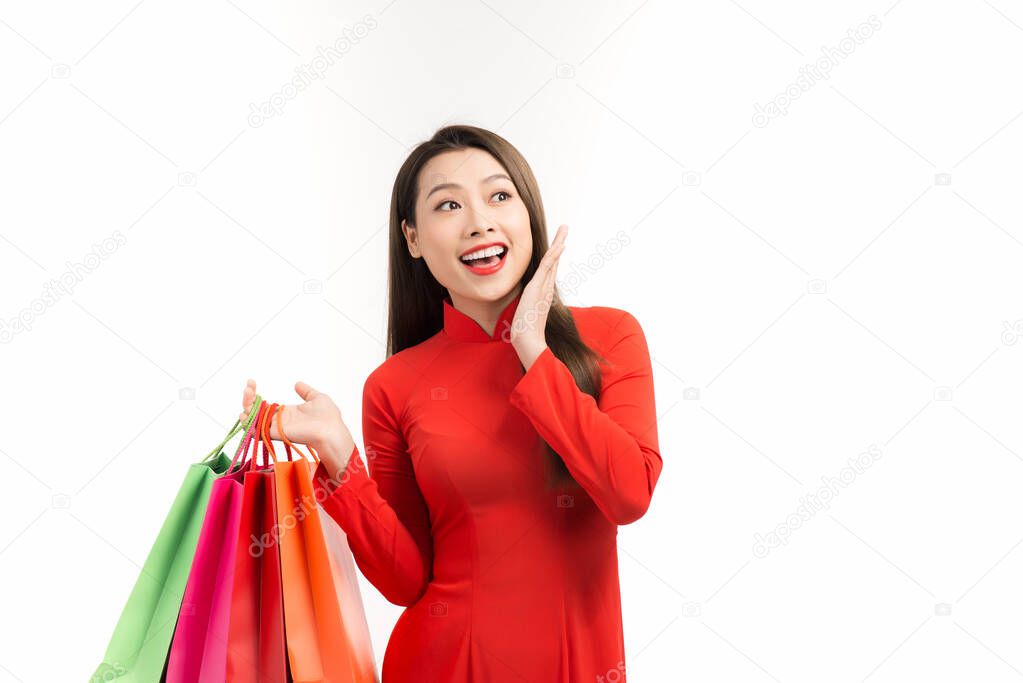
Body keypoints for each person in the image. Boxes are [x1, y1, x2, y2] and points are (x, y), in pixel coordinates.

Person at [241, 124, 662, 682]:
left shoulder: (610, 336)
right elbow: (405, 581)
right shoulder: (395, 385)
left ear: (527, 214)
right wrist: (338, 456)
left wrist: (533, 349)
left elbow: (628, 494)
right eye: (448, 205)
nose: (479, 221)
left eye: (499, 195)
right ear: (413, 239)